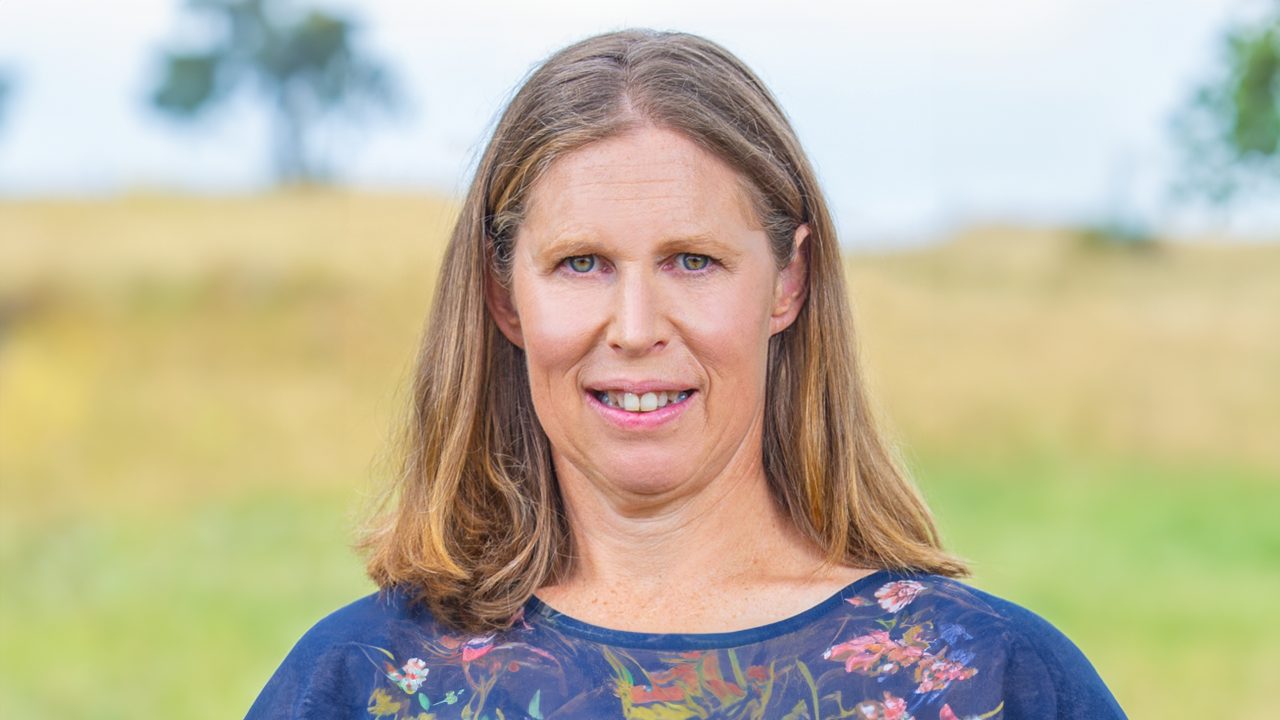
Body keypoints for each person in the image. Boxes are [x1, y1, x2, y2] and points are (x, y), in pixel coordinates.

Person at [246, 29, 1127, 720]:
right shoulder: (363, 685)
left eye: (693, 261)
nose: (634, 329)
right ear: (502, 296)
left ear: (789, 282)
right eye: (582, 263)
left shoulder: (992, 681)